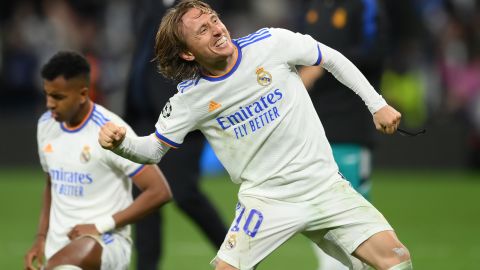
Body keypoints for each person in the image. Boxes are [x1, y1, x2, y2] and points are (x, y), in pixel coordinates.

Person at [98, 1, 412, 269]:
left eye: (215, 21)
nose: (217, 30)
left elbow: (330, 57)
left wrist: (377, 105)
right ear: (188, 54)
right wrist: (122, 143)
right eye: (203, 30)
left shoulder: (270, 44)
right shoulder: (190, 99)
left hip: (324, 185)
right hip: (265, 202)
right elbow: (152, 151)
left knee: (397, 260)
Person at [24, 51, 172, 270]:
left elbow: (159, 191)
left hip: (105, 243)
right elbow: (51, 183)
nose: (50, 104)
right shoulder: (45, 125)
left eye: (58, 97)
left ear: (83, 94)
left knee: (70, 261)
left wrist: (100, 226)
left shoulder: (110, 132)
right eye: (47, 94)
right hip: (59, 248)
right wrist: (40, 237)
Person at [125, 0, 227, 269]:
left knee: (184, 192)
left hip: (183, 114)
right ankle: (146, 266)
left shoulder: (193, 11)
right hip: (143, 115)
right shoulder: (147, 7)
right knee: (144, 195)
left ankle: (234, 250)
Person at [298, 0, 388, 269]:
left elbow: (376, 53)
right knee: (315, 211)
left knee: (352, 215)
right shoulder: (312, 8)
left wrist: (323, 62)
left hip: (350, 124)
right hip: (311, 127)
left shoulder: (366, 7)